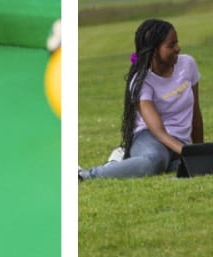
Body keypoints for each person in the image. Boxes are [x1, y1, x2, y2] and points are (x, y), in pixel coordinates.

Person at [79, 19, 201, 180]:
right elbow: (158, 131)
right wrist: (190, 152)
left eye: (176, 43)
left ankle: (119, 162)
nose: (178, 48)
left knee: (189, 165)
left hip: (179, 141)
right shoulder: (141, 81)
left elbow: (196, 112)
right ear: (154, 50)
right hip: (150, 137)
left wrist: (201, 151)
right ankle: (84, 176)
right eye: (171, 45)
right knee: (153, 162)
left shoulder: (188, 64)